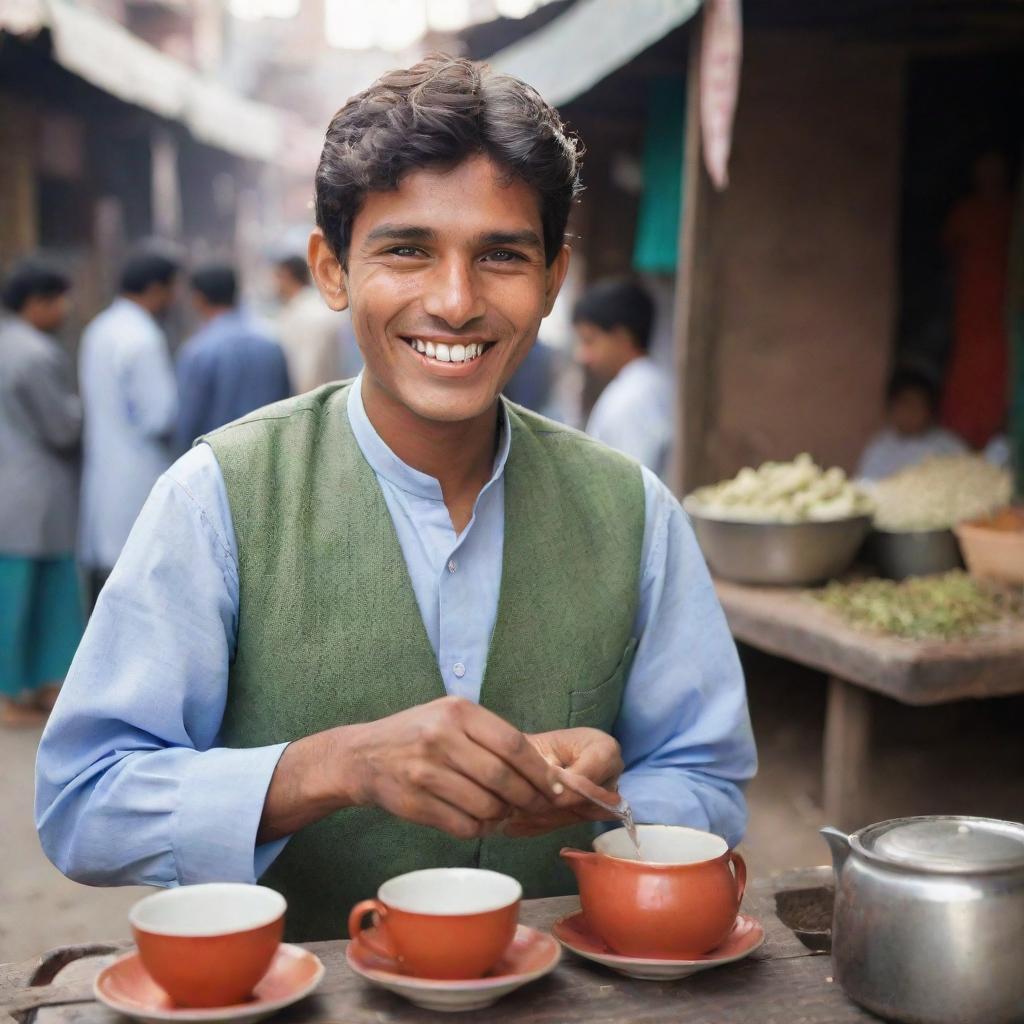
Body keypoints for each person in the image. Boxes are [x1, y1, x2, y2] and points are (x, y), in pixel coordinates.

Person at [37, 55, 756, 942]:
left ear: (554, 279)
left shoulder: (633, 512)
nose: (455, 302)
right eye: (407, 249)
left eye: (501, 255)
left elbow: (709, 777)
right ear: (332, 270)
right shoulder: (217, 497)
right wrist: (332, 767)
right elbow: (83, 801)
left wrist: (613, 797)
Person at [0, 262, 83, 727]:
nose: (64, 310)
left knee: (13, 597)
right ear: (37, 303)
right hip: (36, 494)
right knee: (41, 598)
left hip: (10, 490)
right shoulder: (35, 354)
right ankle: (19, 696)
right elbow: (62, 427)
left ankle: (21, 691)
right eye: (58, 300)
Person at [78, 253, 179, 606]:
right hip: (139, 471)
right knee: (141, 584)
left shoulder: (100, 328)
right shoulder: (143, 337)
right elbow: (161, 415)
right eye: (171, 290)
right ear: (155, 289)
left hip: (105, 471)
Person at [942, 150, 1015, 450]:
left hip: (1007, 305)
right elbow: (949, 252)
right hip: (971, 304)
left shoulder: (1013, 209)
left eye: (995, 168)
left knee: (1002, 365)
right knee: (969, 368)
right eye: (983, 169)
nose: (989, 176)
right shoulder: (965, 212)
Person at [174, 265, 291, 452]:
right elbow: (288, 405)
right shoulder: (271, 343)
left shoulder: (198, 351)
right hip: (268, 458)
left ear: (198, 298)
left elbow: (188, 421)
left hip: (217, 462)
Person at [574, 277, 673, 477]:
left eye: (589, 341)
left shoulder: (631, 398)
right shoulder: (654, 382)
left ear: (622, 337)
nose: (582, 355)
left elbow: (631, 488)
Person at [857, 368, 967, 481]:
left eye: (917, 406)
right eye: (905, 404)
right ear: (891, 407)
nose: (910, 413)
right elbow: (864, 483)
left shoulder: (948, 447)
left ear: (929, 410)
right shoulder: (880, 446)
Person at [273, 254, 345, 393]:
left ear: (286, 275)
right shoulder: (314, 307)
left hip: (310, 401)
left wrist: (300, 406)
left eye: (277, 277)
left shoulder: (308, 314)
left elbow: (307, 370)